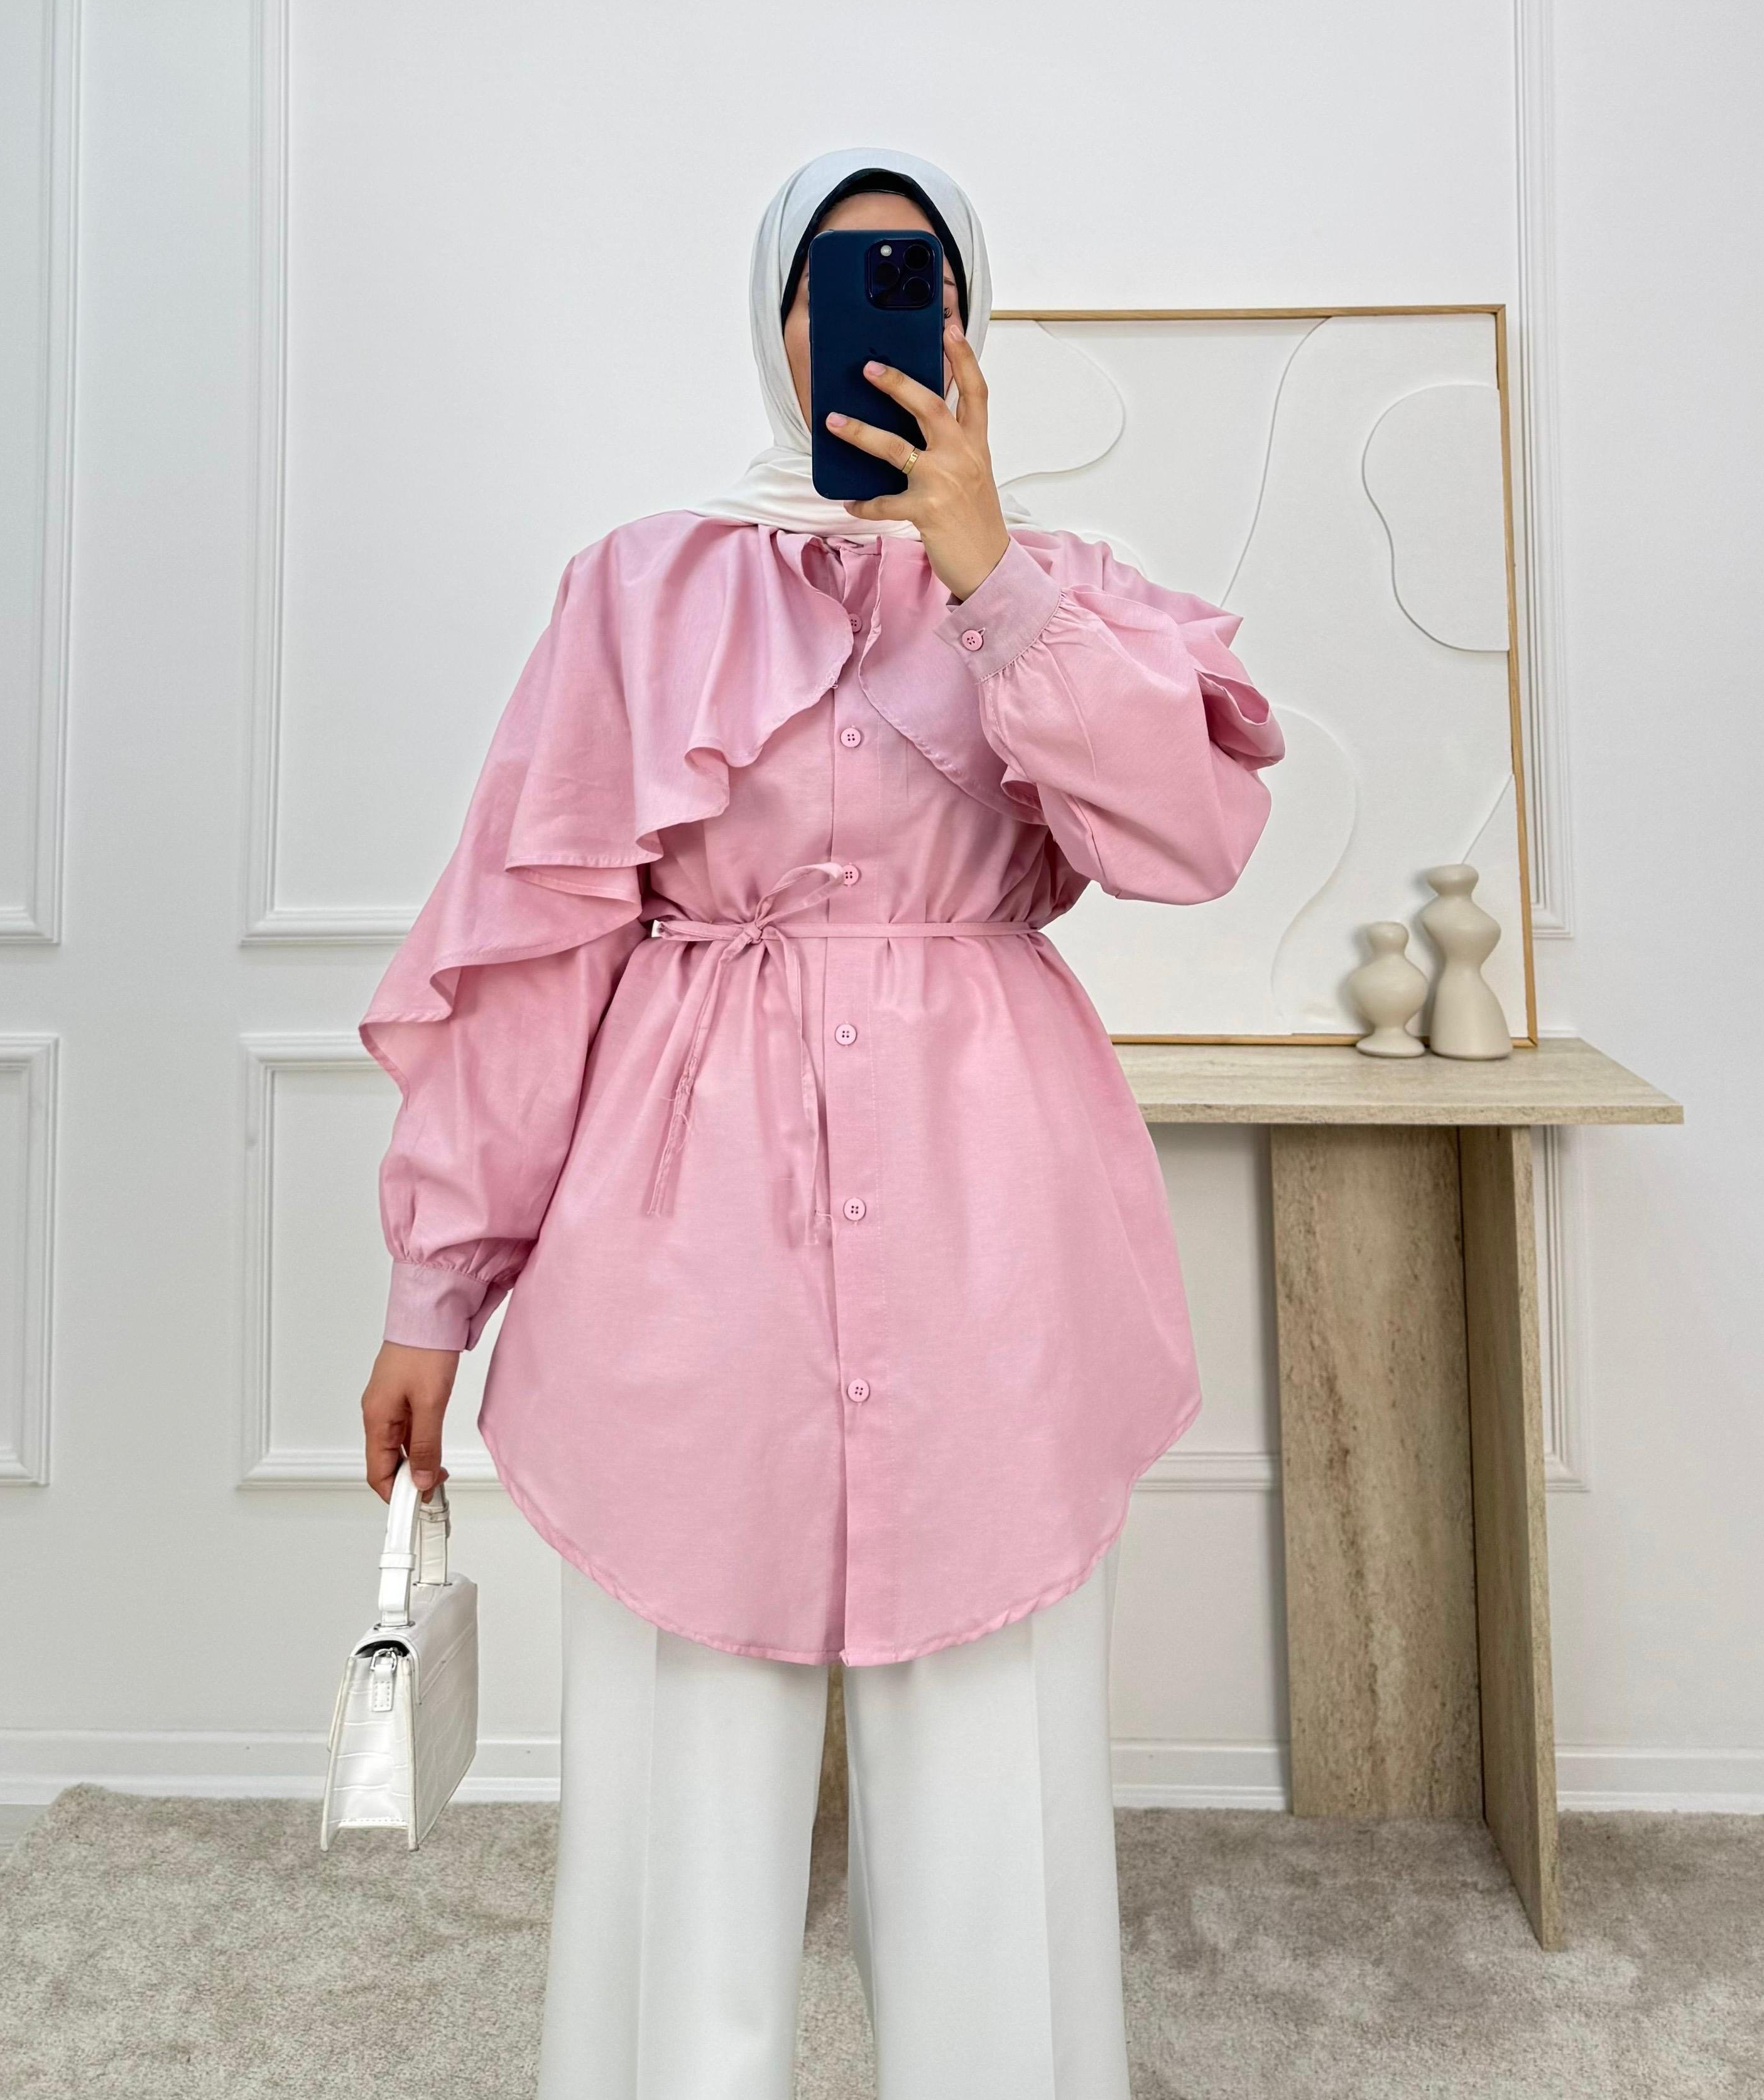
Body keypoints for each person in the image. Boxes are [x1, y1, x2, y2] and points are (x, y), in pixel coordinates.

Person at [356, 147, 1284, 2099]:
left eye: (916, 276)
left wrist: (991, 577)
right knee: (683, 1771)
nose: (873, 313)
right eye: (836, 279)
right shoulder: (641, 588)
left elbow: (1193, 836)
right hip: (689, 1233)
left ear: (969, 321)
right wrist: (435, 1290)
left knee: (993, 1763)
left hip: (990, 1232)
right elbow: (536, 956)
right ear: (776, 319)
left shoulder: (1073, 589)